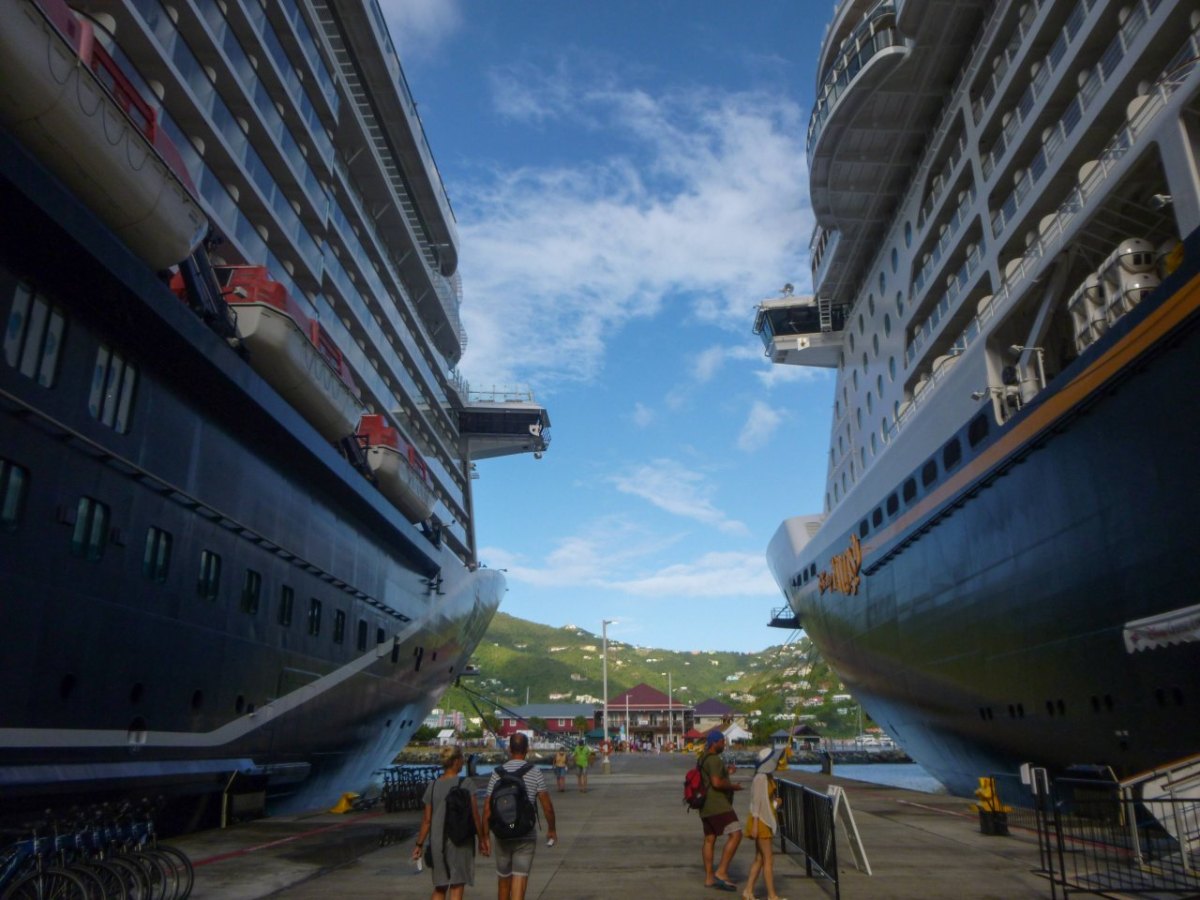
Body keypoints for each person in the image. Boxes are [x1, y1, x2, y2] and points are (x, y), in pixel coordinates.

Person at [483, 733, 557, 900]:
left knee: (503, 881)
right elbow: (547, 805)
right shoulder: (535, 772)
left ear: (509, 749)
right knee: (519, 878)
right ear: (527, 749)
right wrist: (551, 829)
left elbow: (487, 809)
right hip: (525, 833)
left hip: (502, 832)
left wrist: (485, 836)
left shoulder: (497, 773)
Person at [411, 745, 486, 900]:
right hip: (460, 840)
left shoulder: (432, 787)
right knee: (457, 886)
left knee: (440, 887)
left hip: (438, 842)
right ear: (457, 761)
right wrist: (482, 839)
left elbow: (426, 820)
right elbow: (475, 816)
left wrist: (419, 845)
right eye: (462, 759)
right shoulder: (466, 784)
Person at [699, 730, 743, 891]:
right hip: (718, 804)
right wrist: (733, 787)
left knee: (709, 839)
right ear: (715, 742)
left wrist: (728, 772)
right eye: (722, 742)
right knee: (736, 833)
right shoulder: (714, 760)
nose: (724, 745)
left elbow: (712, 777)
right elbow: (716, 783)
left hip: (705, 806)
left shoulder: (702, 758)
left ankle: (709, 878)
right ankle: (722, 871)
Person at [742, 747, 787, 900]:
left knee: (760, 858)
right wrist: (754, 825)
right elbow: (756, 802)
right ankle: (772, 895)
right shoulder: (761, 778)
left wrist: (775, 803)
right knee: (768, 859)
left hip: (763, 819)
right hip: (760, 820)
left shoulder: (766, 777)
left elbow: (765, 802)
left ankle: (748, 891)